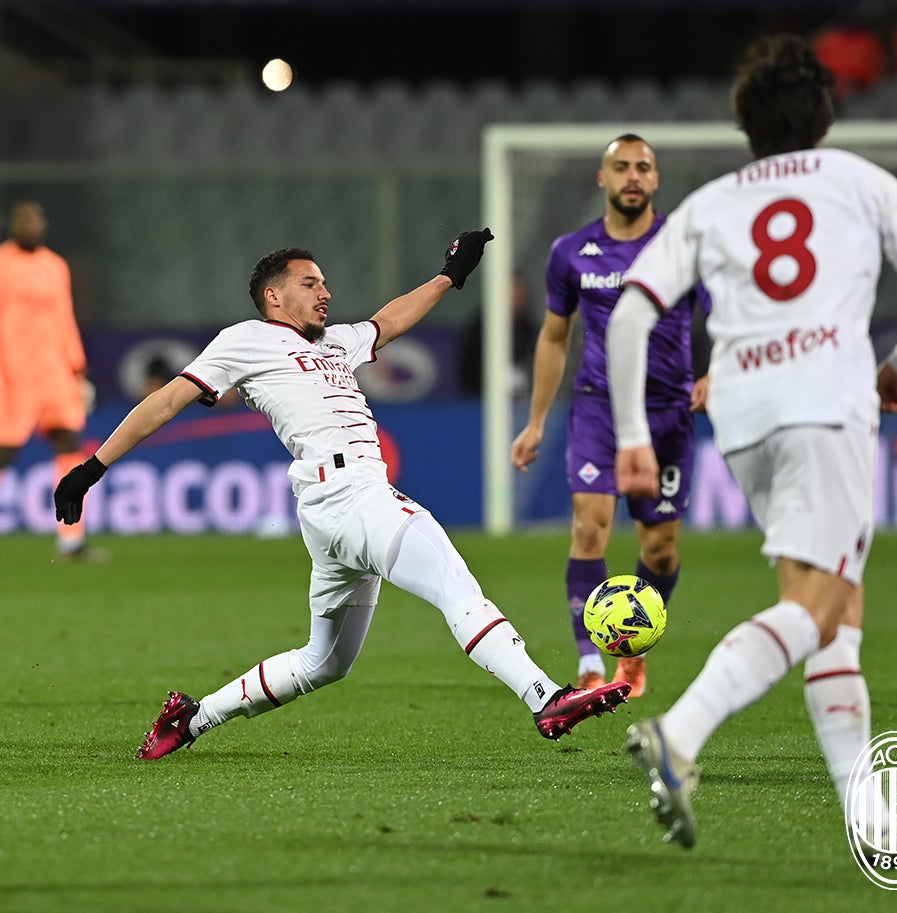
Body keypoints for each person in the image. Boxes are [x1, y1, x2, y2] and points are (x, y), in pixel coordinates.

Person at [54, 232, 633, 761]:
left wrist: (448, 276)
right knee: (456, 585)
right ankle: (544, 696)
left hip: (331, 513)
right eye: (311, 283)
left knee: (324, 661)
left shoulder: (334, 343)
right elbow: (166, 401)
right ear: (275, 296)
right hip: (352, 496)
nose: (325, 293)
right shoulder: (245, 340)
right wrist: (93, 465)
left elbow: (387, 323)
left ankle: (192, 718)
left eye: (326, 283)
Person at [606, 35, 897, 849]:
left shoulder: (711, 203)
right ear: (825, 117)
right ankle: (681, 732)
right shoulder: (862, 181)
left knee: (839, 610)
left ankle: (864, 814)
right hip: (825, 405)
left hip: (743, 413)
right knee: (816, 605)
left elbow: (631, 312)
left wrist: (633, 435)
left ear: (746, 127)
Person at [511, 134, 709, 698]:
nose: (631, 176)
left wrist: (715, 372)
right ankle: (588, 662)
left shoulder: (682, 246)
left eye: (642, 168)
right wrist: (536, 420)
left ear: (655, 179)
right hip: (599, 406)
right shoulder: (571, 252)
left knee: (660, 547)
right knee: (589, 525)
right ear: (602, 178)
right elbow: (554, 337)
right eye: (620, 167)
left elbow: (724, 316)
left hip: (669, 410)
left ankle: (633, 652)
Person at [0, 200, 99, 562]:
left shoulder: (55, 266)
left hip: (55, 374)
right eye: (24, 220)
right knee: (1, 455)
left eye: (36, 219)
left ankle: (71, 539)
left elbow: (64, 320)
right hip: (13, 378)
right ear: (12, 225)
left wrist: (78, 368)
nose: (31, 225)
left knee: (69, 447)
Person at [458, 273, 540, 400]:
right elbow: (468, 371)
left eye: (518, 295)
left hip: (523, 400)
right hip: (482, 399)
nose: (515, 300)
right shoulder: (479, 329)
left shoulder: (530, 329)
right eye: (511, 295)